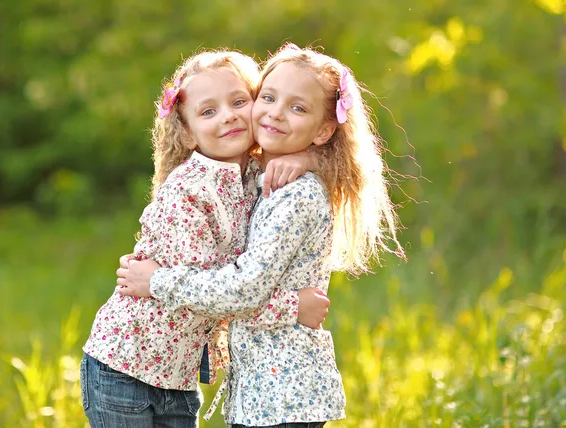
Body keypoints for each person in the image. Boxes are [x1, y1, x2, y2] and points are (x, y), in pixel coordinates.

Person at [117, 43, 405, 427]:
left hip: (283, 394)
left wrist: (155, 280)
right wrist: (309, 157)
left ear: (323, 130)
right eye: (267, 97)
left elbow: (241, 289)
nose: (275, 112)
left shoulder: (294, 196)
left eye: (297, 107)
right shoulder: (259, 177)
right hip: (264, 393)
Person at [80, 49, 329, 428]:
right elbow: (213, 295)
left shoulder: (255, 175)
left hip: (177, 377)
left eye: (238, 101)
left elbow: (335, 159)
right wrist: (294, 308)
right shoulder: (189, 191)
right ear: (188, 132)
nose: (227, 115)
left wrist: (309, 160)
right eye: (208, 111)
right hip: (125, 367)